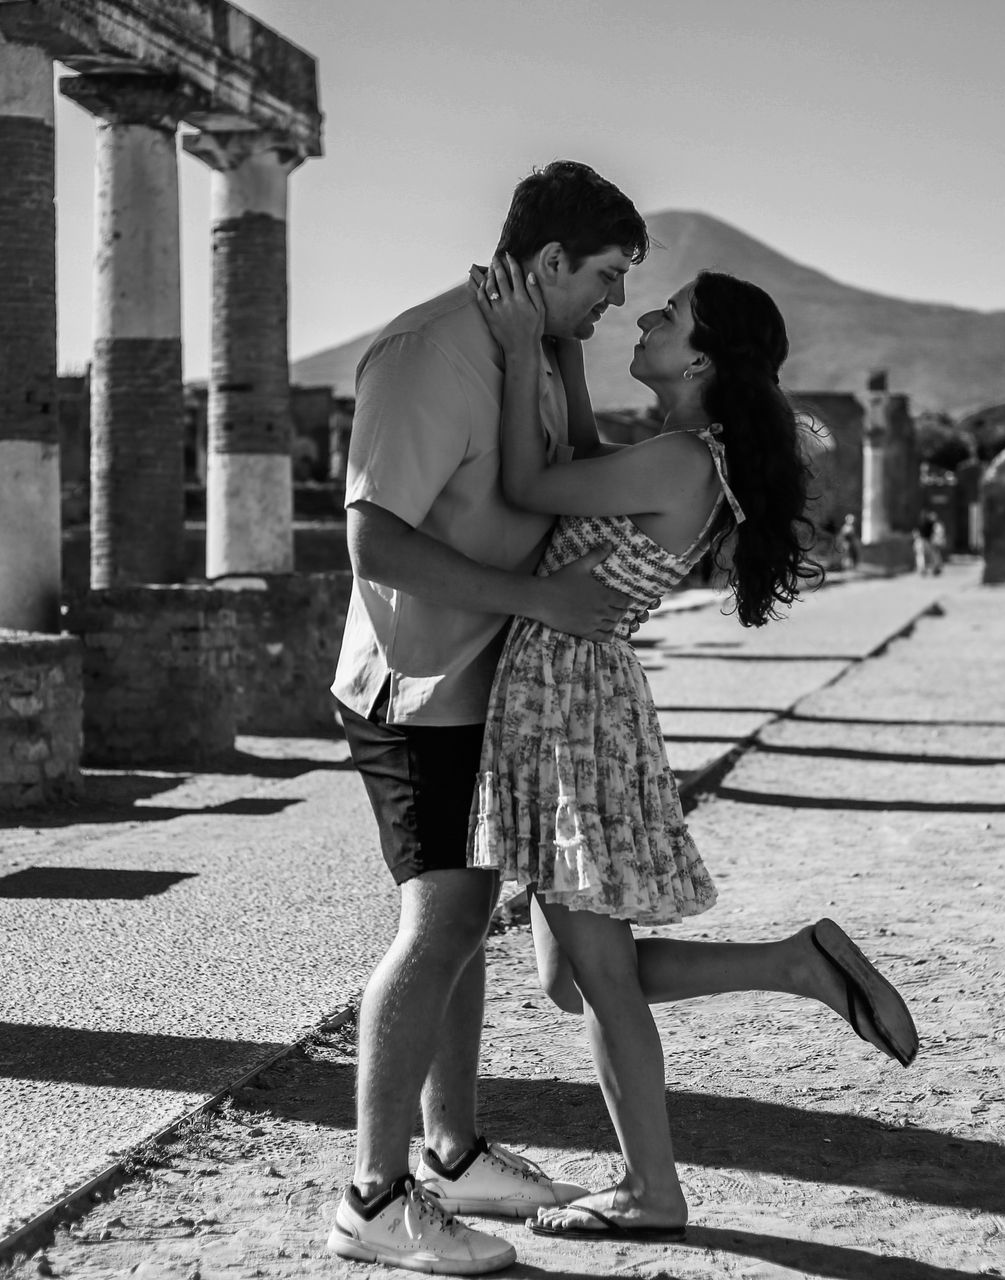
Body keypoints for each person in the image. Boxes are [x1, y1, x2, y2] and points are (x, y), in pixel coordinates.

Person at [468, 261, 922, 1242]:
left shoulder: (680, 462)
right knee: (567, 975)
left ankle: (652, 1188)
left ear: (702, 358)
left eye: (667, 316)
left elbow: (525, 482)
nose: (645, 315)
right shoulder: (677, 450)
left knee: (598, 975)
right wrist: (564, 357)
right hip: (577, 688)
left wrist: (517, 350)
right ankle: (794, 963)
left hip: (569, 695)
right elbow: (583, 456)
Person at [326, 160, 648, 1276]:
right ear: (550, 260)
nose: (614, 301)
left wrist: (557, 351)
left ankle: (453, 1150)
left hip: (485, 682)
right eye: (602, 277)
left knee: (468, 924)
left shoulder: (532, 351)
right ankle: (373, 1194)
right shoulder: (426, 354)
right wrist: (545, 601)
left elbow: (565, 479)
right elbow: (375, 541)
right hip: (416, 689)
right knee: (443, 924)